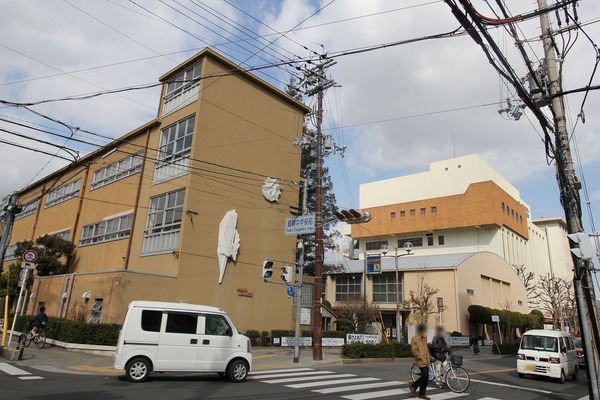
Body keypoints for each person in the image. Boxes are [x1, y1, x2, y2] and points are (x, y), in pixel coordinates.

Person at [410, 324, 431, 400]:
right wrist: (420, 357)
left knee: (426, 377)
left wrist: (429, 358)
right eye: (423, 331)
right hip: (420, 360)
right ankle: (413, 386)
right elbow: (414, 350)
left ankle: (422, 394)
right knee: (425, 376)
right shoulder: (414, 338)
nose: (424, 333)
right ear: (419, 331)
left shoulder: (424, 338)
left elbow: (426, 349)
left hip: (426, 360)